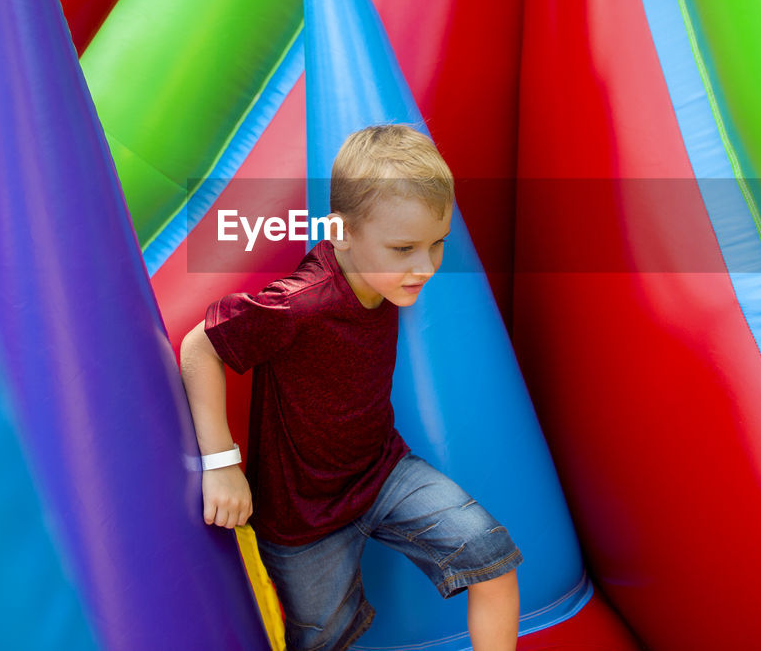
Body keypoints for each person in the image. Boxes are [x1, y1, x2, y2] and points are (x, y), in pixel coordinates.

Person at [179, 123, 522, 651]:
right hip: (303, 516)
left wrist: (398, 253)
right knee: (322, 639)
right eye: (405, 247)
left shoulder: (381, 272)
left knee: (490, 556)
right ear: (339, 232)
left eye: (437, 245)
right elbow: (200, 346)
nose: (425, 267)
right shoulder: (302, 302)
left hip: (382, 471)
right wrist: (221, 464)